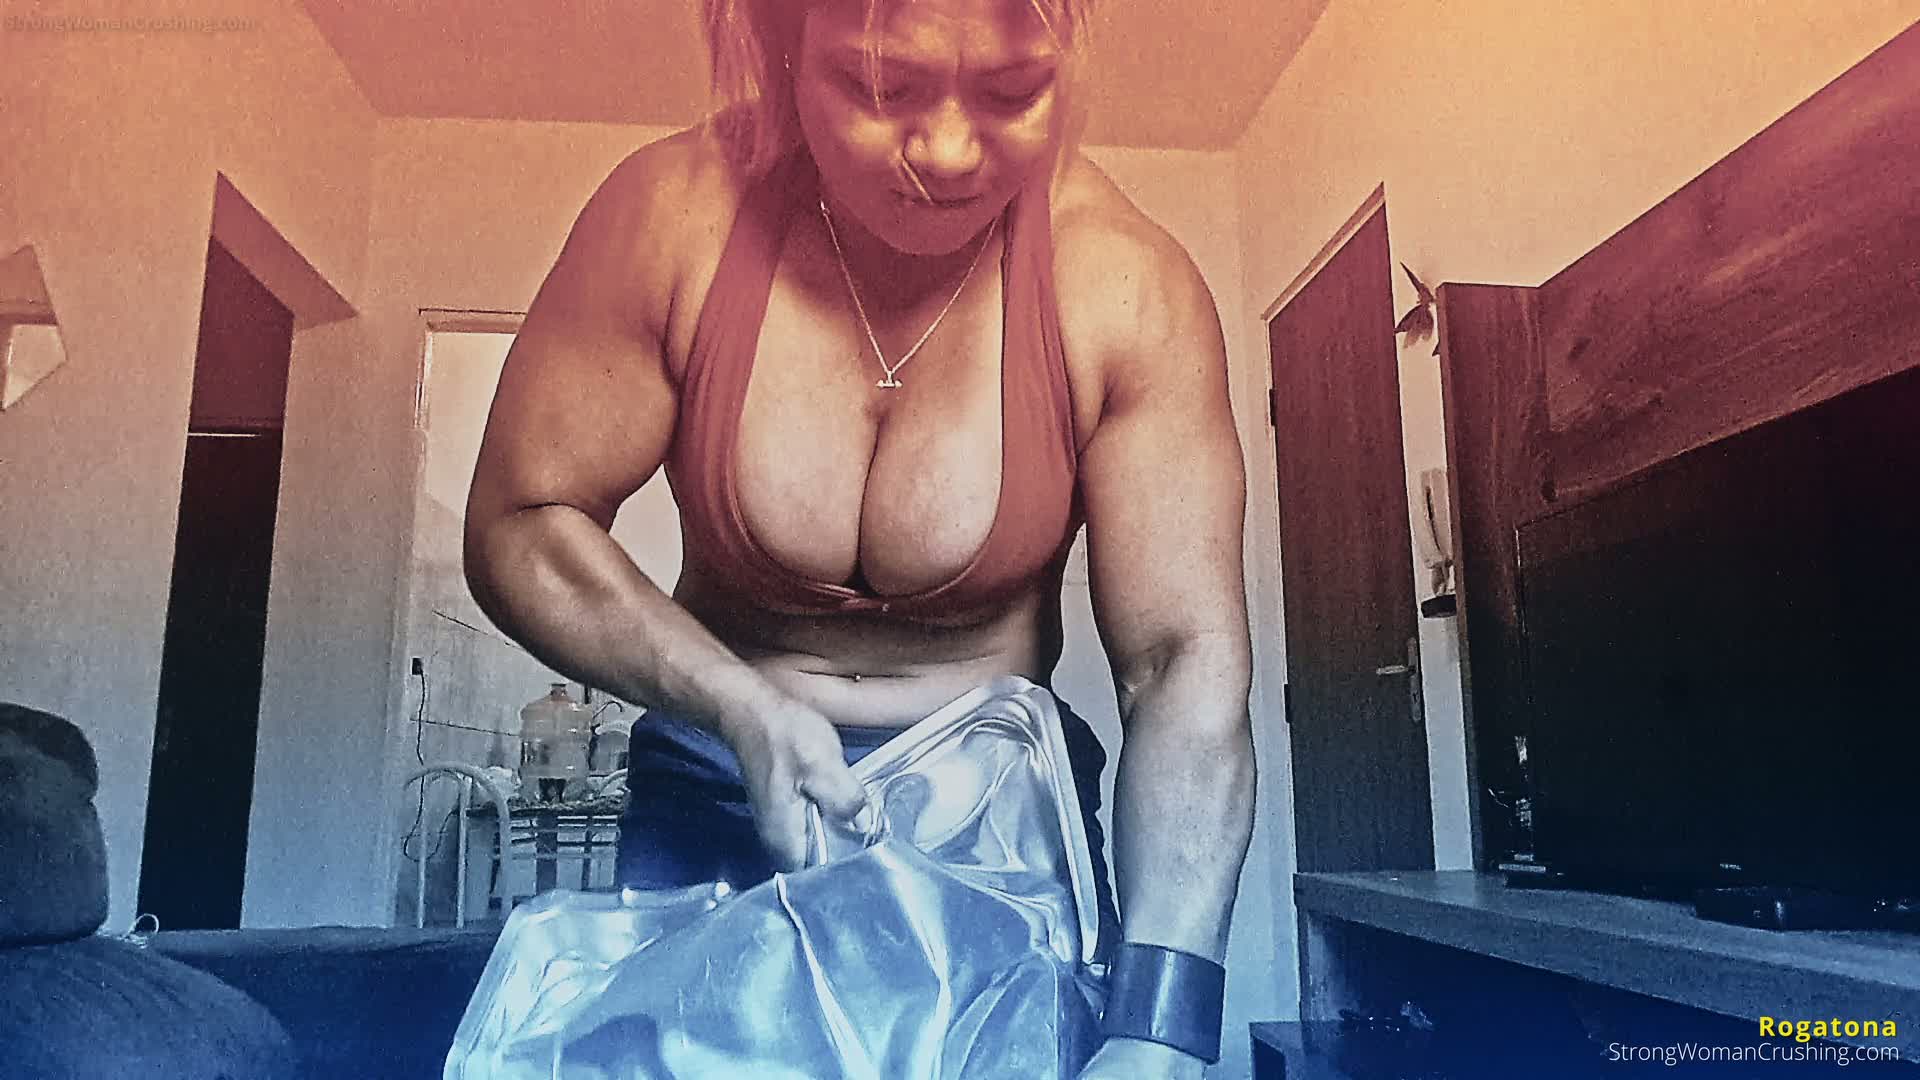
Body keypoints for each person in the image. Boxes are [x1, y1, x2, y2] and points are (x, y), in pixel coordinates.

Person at [463, 0, 1255, 1075]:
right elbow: (521, 520)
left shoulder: (1124, 282)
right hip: (717, 789)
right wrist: (734, 700)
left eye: (1012, 91)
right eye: (883, 86)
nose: (949, 151)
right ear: (783, 47)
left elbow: (1181, 661)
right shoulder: (673, 218)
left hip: (997, 834)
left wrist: (1161, 1026)